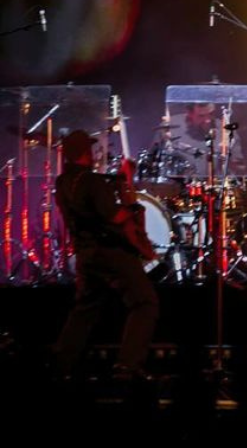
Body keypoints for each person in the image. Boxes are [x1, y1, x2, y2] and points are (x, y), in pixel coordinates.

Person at [52, 130, 159, 381]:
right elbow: (115, 216)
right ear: (85, 153)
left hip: (85, 255)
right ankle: (127, 366)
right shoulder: (92, 181)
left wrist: (120, 178)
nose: (94, 153)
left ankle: (60, 366)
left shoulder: (63, 182)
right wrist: (131, 203)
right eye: (91, 149)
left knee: (85, 310)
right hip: (110, 254)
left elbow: (90, 205)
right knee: (145, 302)